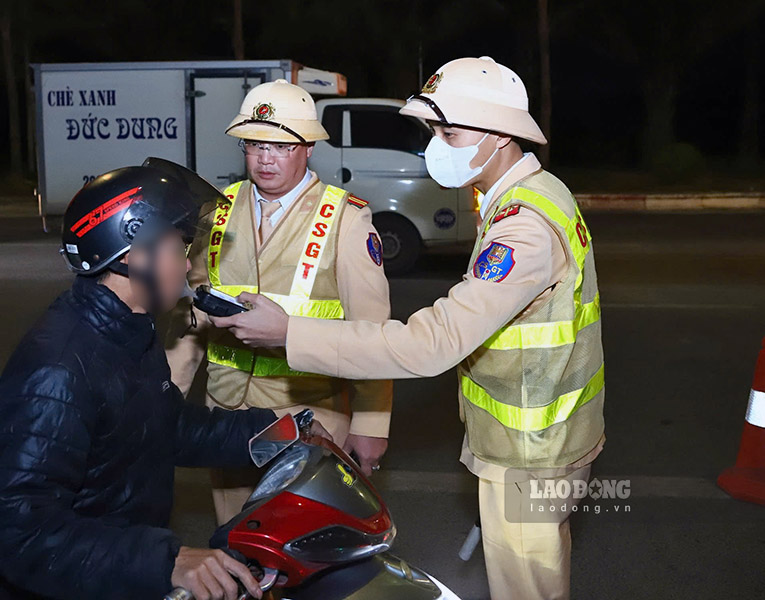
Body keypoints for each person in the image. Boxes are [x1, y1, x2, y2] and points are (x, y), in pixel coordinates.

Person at [208, 57, 606, 600]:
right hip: (534, 441)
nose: (437, 144)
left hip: (531, 451)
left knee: (528, 588)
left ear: (496, 135)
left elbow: (433, 343)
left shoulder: (525, 225)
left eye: (448, 131)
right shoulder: (534, 197)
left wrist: (290, 334)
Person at [0, 160, 297, 600]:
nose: (187, 267)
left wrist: (278, 433)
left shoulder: (127, 330)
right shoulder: (58, 372)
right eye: (179, 249)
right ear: (132, 256)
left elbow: (163, 425)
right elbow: (20, 532)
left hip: (114, 572)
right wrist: (164, 561)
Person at [163, 79, 393, 525]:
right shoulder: (217, 212)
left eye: (281, 146)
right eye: (254, 144)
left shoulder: (346, 220)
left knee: (307, 551)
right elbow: (189, 316)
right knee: (236, 547)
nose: (265, 158)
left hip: (310, 417)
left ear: (308, 147)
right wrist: (165, 395)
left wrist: (371, 425)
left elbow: (373, 333)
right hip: (226, 418)